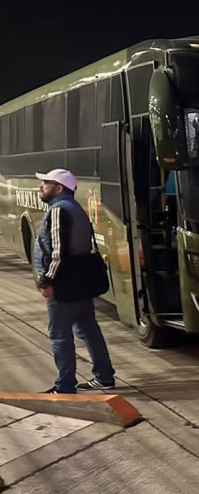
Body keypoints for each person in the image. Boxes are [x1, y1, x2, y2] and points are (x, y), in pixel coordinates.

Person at [32, 169, 116, 394]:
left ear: (59, 188)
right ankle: (104, 376)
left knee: (60, 336)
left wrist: (46, 280)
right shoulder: (75, 207)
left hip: (64, 285)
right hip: (80, 281)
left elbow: (59, 253)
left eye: (46, 183)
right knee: (88, 329)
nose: (41, 187)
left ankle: (65, 385)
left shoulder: (59, 210)